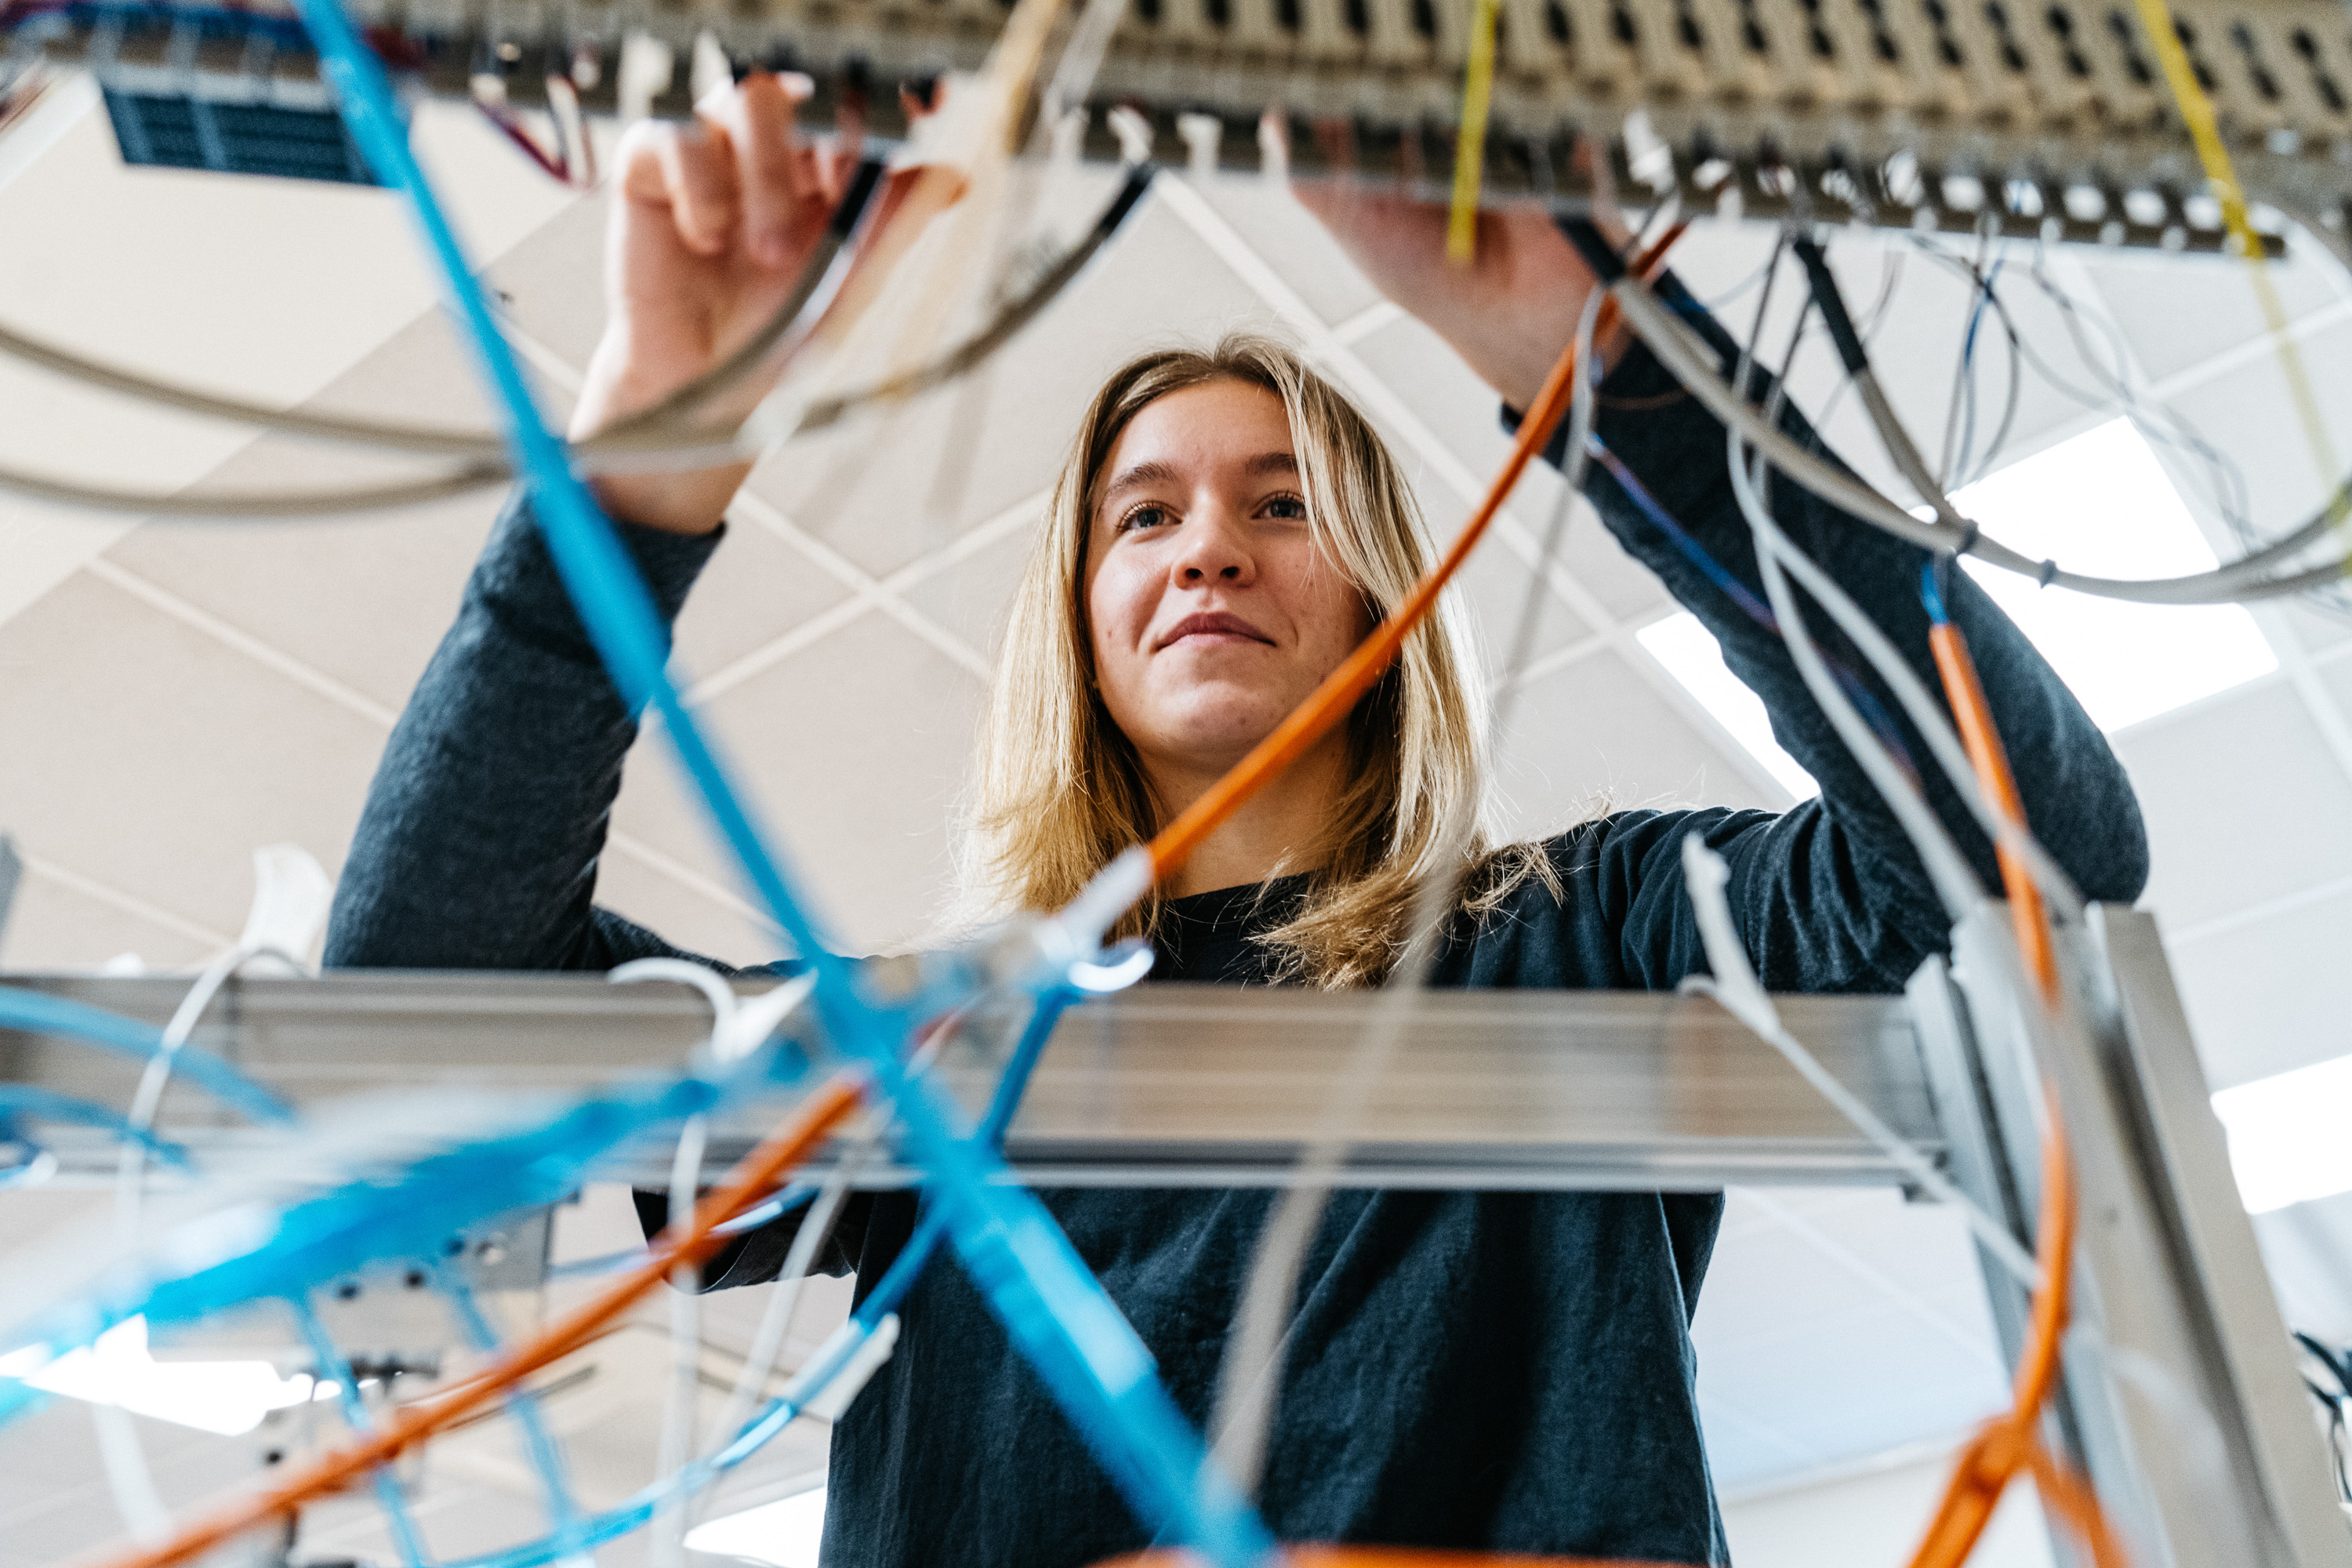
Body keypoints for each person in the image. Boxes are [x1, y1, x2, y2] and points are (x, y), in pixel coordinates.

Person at [325, 71, 2149, 1568]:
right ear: (1085, 626)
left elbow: (2034, 843)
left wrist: (1614, 362)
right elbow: (418, 1005)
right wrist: (647, 457)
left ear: (1372, 587)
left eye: (1282, 503)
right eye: (1145, 516)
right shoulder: (938, 1041)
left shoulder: (1590, 928)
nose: (1209, 542)